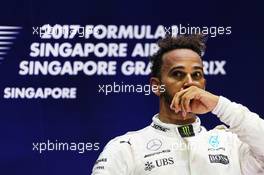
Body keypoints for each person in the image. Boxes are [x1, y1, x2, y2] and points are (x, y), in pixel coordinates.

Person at [92, 35, 264, 175]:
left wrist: (220, 105)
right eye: (178, 74)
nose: (190, 82)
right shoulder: (127, 147)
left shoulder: (231, 144)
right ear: (156, 86)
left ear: (204, 84)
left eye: (196, 75)